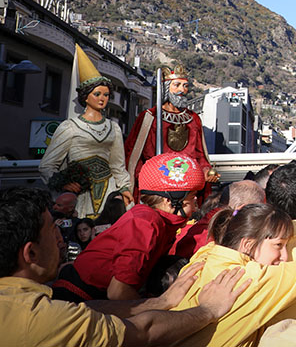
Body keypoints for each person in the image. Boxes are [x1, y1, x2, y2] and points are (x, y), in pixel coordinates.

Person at [0, 186, 250, 347]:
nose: (59, 239)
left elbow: (83, 310)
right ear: (31, 253)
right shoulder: (146, 222)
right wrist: (208, 310)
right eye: (52, 229)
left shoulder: (37, 309)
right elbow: (142, 330)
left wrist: (159, 302)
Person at [53, 153, 205, 302]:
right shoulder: (146, 223)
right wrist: (162, 305)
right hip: (78, 298)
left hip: (93, 299)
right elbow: (118, 292)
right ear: (169, 201)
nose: (195, 207)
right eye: (192, 198)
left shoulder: (160, 223)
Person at [170, 203, 296, 347]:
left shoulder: (205, 255)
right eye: (279, 245)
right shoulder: (251, 279)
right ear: (248, 245)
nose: (285, 256)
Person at [39, 45, 132, 218]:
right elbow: (47, 165)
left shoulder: (114, 128)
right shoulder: (70, 127)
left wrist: (125, 188)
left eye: (106, 95)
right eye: (97, 94)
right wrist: (64, 183)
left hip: (108, 190)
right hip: (80, 193)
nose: (102, 99)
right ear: (86, 96)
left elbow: (117, 165)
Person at [124, 65, 217, 195]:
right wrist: (144, 177)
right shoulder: (150, 117)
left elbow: (200, 155)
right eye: (177, 85)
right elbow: (134, 155)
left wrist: (206, 171)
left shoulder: (193, 119)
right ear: (166, 88)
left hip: (187, 183)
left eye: (185, 86)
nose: (182, 90)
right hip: (158, 182)